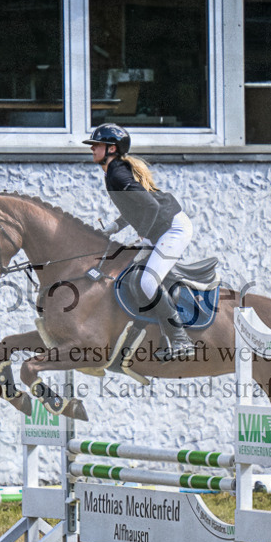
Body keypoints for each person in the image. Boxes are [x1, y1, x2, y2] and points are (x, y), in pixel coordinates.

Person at [83, 123, 195, 362]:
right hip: (163, 228)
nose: (92, 149)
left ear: (112, 148)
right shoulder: (114, 171)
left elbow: (151, 205)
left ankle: (180, 339)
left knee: (146, 283)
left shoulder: (117, 173)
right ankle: (163, 336)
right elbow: (136, 206)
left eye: (97, 145)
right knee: (134, 278)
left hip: (173, 229)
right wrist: (115, 226)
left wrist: (142, 238)